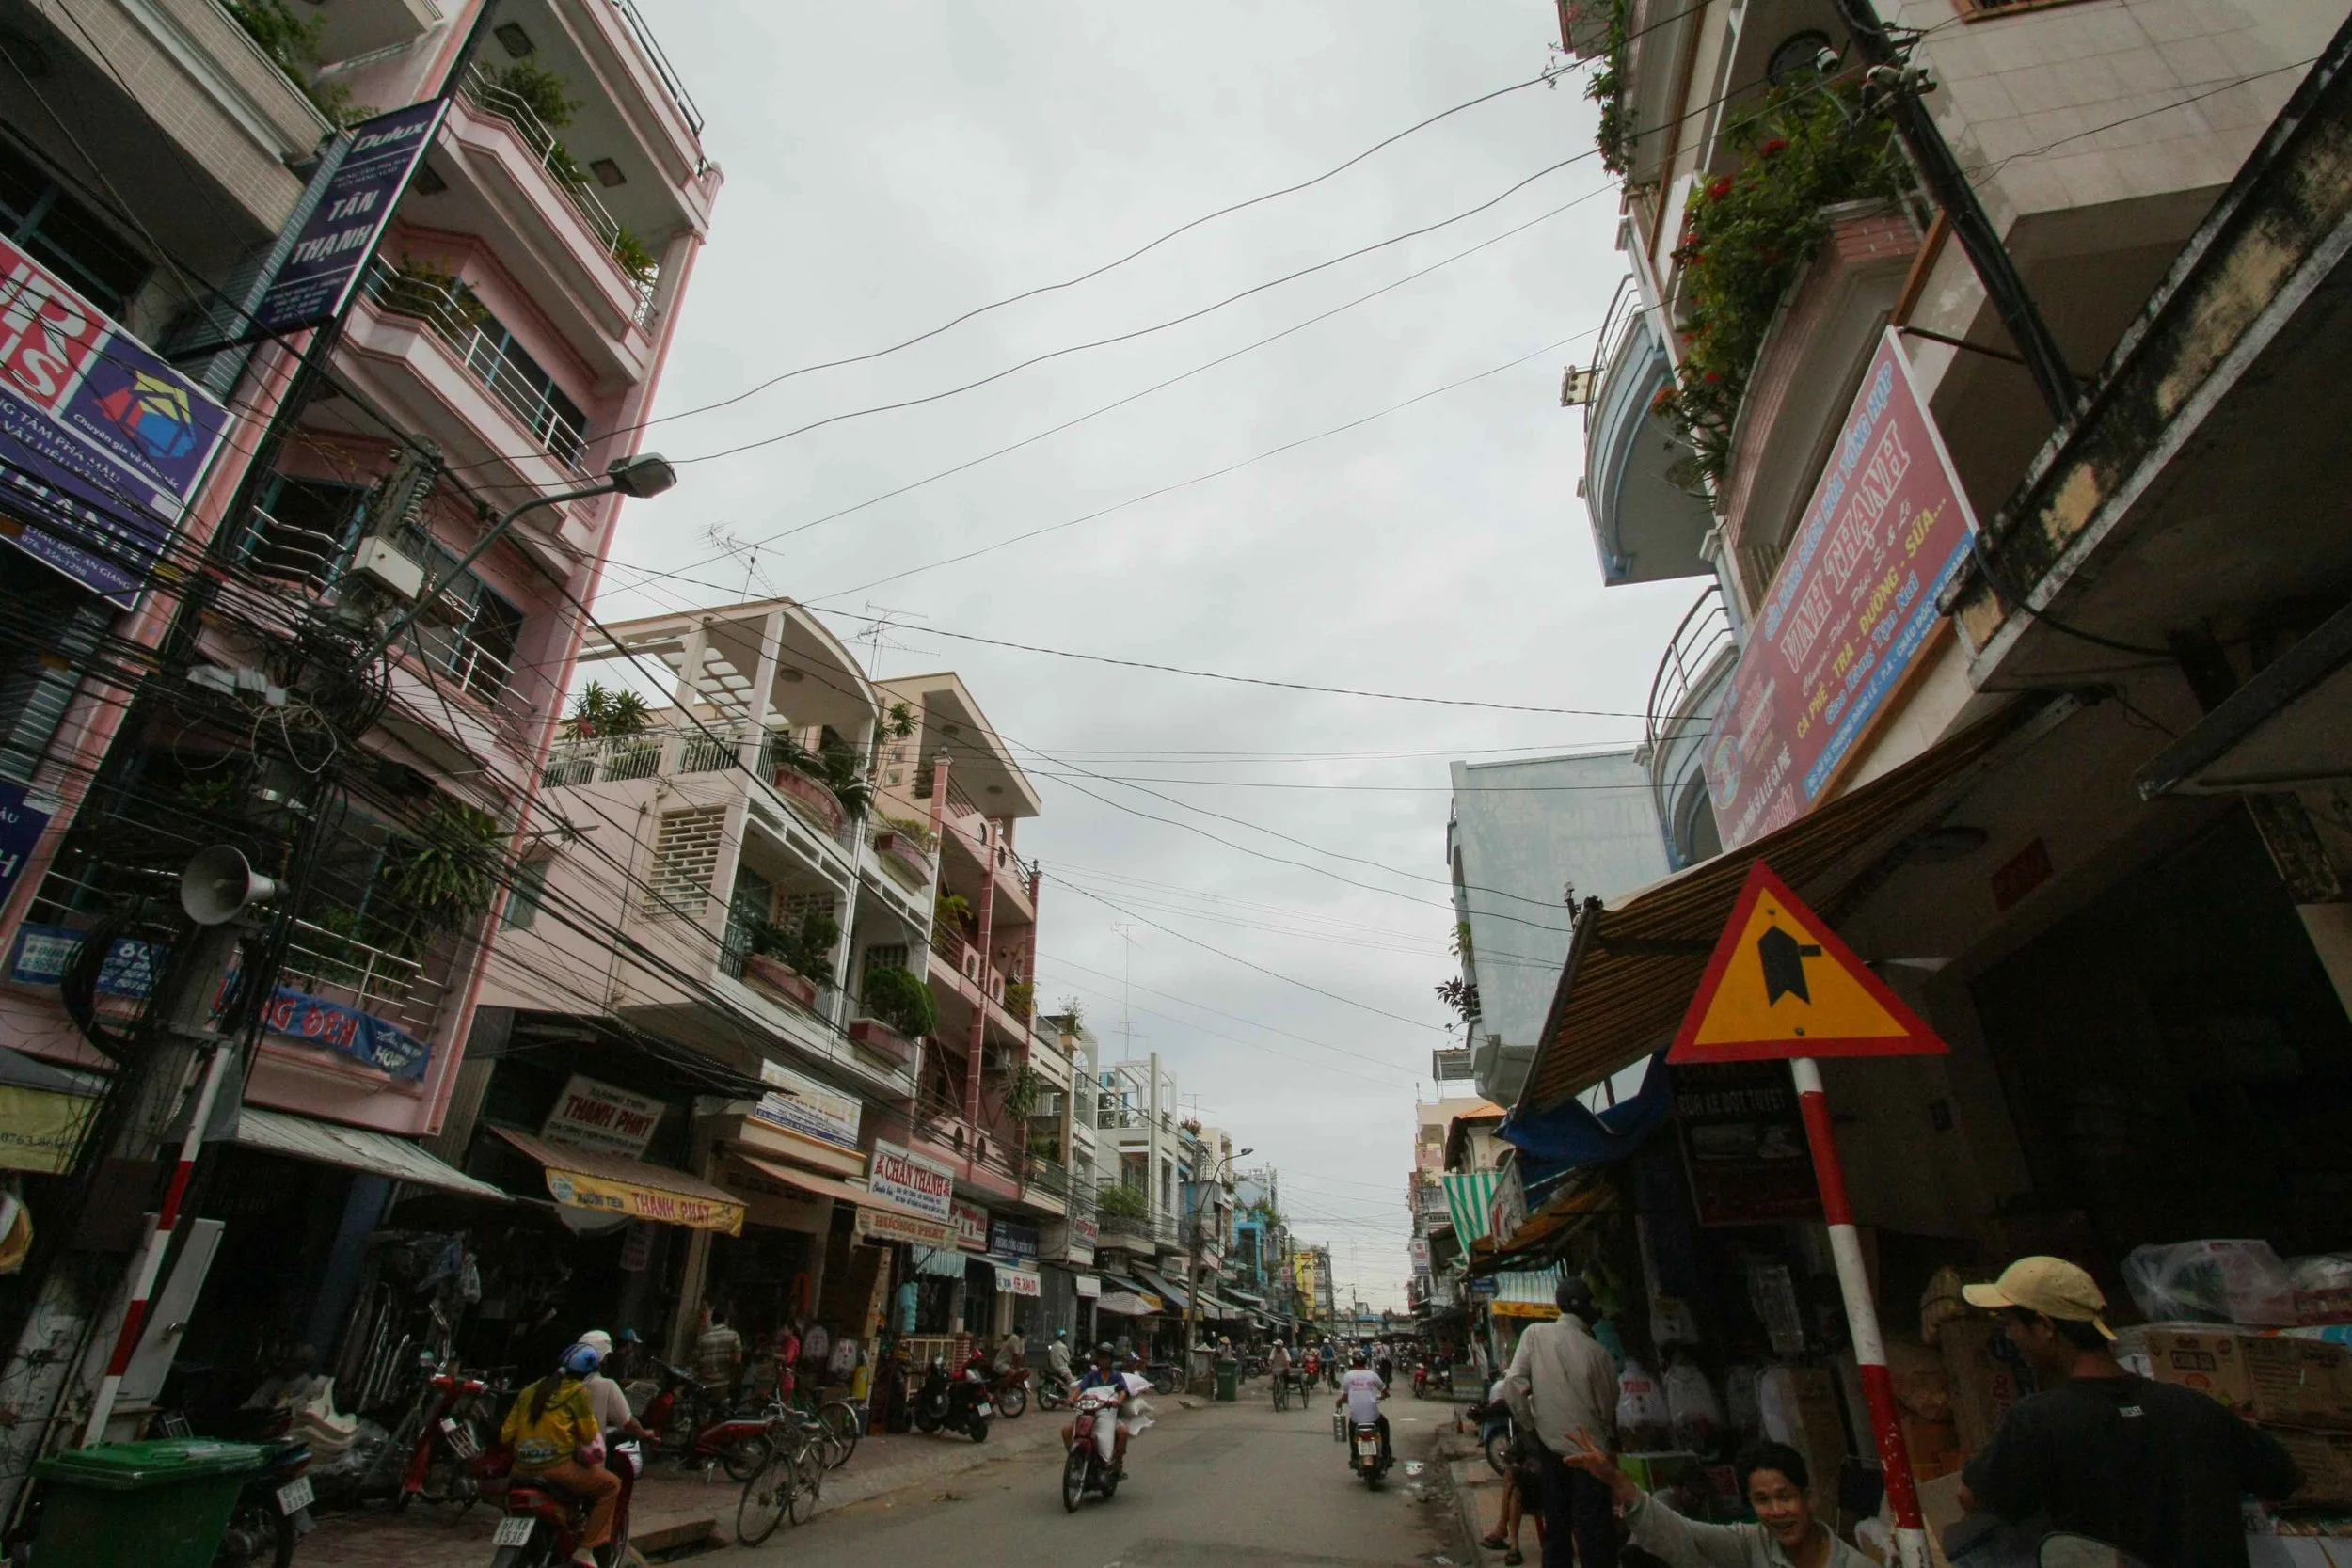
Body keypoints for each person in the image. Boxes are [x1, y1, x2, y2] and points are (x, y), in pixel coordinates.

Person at [1955, 1257, 2299, 1568]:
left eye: (2012, 1323)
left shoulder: (2038, 1420)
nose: (2010, 1336)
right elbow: (2283, 1477)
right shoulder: (2195, 1408)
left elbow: (1973, 1498)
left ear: (2045, 1327)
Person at [1562, 1430, 1869, 1568]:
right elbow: (1684, 1536)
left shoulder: (1856, 1565)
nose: (1776, 1511)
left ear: (1809, 1498)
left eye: (1784, 1497)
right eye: (1762, 1500)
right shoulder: (1752, 1543)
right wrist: (1618, 1481)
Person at [1504, 1276, 1621, 1568]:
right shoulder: (1600, 1354)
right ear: (1588, 1310)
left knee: (1557, 1526)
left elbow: (1513, 1383)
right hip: (1592, 1452)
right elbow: (1608, 1407)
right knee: (1594, 1532)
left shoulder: (1534, 1334)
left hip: (1551, 1446)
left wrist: (1530, 1424)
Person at [501, 1343, 621, 1568]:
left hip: (520, 1470)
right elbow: (587, 1436)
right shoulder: (577, 1393)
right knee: (611, 1485)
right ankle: (585, 1550)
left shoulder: (529, 1391)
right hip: (557, 1468)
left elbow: (506, 1435)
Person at [577, 1334, 646, 1552]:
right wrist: (646, 1434)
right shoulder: (604, 1385)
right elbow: (628, 1422)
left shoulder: (552, 1384)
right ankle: (587, 1549)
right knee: (611, 1487)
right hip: (578, 1465)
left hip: (542, 1458)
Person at [1061, 1342, 1133, 1475]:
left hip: (1109, 1414)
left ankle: (1117, 1463)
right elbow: (1080, 1388)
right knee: (1066, 1431)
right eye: (1100, 1357)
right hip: (1089, 1413)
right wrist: (1071, 1399)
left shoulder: (1117, 1376)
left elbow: (1123, 1391)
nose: (1102, 1360)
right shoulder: (1092, 1375)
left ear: (1111, 1359)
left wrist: (1118, 1401)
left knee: (1123, 1432)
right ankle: (1075, 1460)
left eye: (1105, 1357)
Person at [1335, 1349, 1391, 1466]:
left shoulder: (1348, 1376)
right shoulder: (1372, 1375)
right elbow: (1385, 1391)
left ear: (1353, 1362)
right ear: (1366, 1362)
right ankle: (1386, 1454)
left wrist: (1339, 1403)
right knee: (1384, 1426)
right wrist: (1383, 1396)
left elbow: (1345, 1397)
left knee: (1352, 1432)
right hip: (1373, 1417)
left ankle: (1355, 1456)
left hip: (1356, 1418)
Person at [694, 1305, 743, 1400]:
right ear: (726, 1319)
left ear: (712, 1320)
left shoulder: (703, 1338)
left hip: (705, 1386)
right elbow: (738, 1361)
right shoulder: (734, 1336)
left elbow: (697, 1363)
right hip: (723, 1386)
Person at [1045, 1329, 1075, 1397]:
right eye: (1064, 1337)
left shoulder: (1052, 1346)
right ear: (1062, 1337)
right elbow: (1067, 1359)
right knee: (1072, 1382)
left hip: (1053, 1367)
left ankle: (1063, 1391)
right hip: (1062, 1368)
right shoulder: (1063, 1347)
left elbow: (1048, 1357)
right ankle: (1070, 1396)